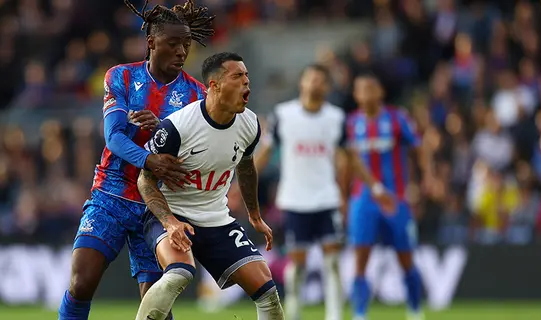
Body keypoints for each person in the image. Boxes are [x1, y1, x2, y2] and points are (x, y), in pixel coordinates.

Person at [58, 1, 215, 319]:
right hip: (112, 196)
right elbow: (114, 138)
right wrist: (149, 158)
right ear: (152, 42)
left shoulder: (197, 96)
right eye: (173, 44)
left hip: (158, 205)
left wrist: (160, 128)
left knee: (157, 302)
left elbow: (196, 152)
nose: (182, 52)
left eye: (186, 44)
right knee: (81, 282)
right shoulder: (121, 77)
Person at [135, 52, 285, 320]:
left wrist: (254, 215)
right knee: (178, 275)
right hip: (173, 214)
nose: (246, 83)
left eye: (247, 76)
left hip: (217, 219)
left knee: (268, 293)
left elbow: (246, 166)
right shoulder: (178, 127)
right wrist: (170, 222)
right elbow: (144, 180)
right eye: (237, 77)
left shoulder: (250, 123)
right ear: (214, 85)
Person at [254, 64, 345, 320]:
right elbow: (267, 151)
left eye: (320, 80)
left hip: (327, 197)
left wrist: (345, 193)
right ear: (302, 83)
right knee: (298, 264)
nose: (315, 84)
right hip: (295, 199)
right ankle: (294, 311)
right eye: (311, 79)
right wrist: (244, 180)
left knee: (333, 262)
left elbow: (345, 158)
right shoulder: (284, 114)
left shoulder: (336, 117)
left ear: (327, 86)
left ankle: (334, 315)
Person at [344, 74, 435, 320]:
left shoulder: (397, 118)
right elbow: (345, 164)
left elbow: (419, 148)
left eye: (372, 87)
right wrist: (342, 198)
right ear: (356, 95)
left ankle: (415, 310)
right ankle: (360, 313)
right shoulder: (350, 124)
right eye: (362, 88)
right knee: (360, 259)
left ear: (380, 92)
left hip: (396, 199)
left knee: (406, 257)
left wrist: (427, 177)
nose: (367, 92)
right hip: (362, 200)